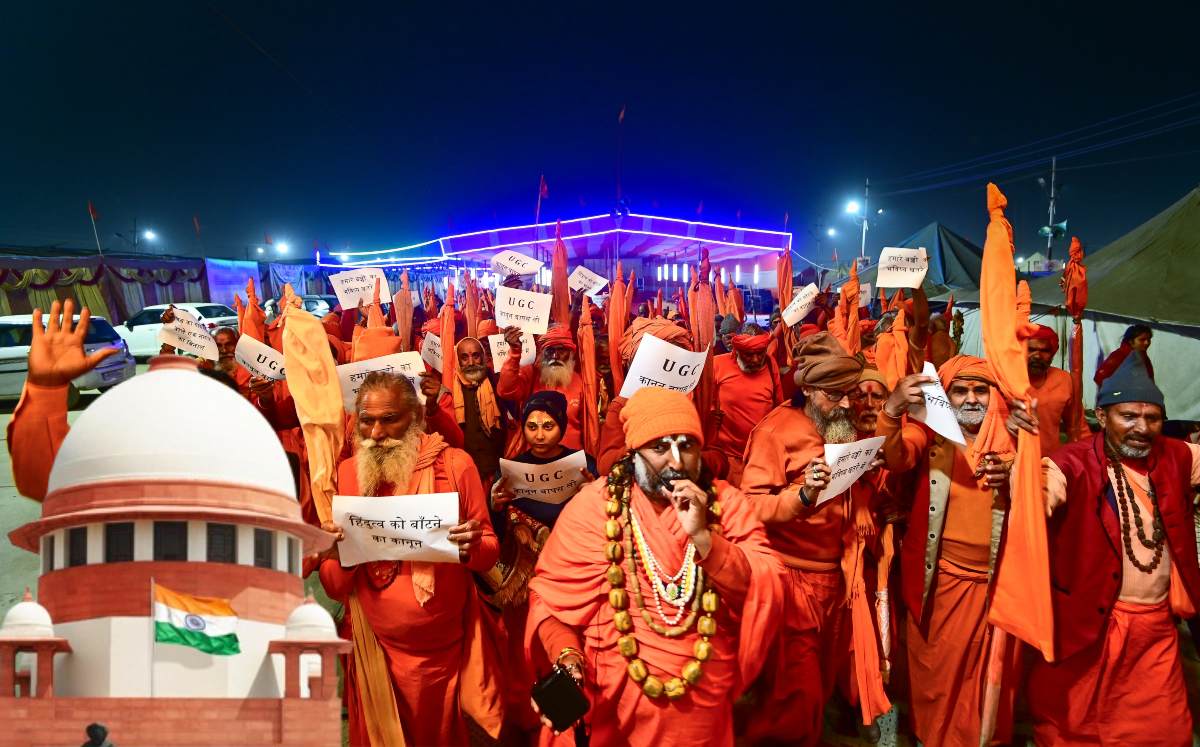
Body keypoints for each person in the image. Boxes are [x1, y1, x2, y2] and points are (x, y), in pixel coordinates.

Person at [527, 387, 783, 746]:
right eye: (660, 448)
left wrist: (706, 539)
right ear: (633, 454)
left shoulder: (728, 505)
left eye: (687, 445)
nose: (676, 462)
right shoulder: (593, 509)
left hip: (698, 711)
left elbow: (765, 589)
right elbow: (550, 604)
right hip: (608, 708)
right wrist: (567, 658)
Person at [1023, 352, 1200, 746]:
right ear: (1101, 418)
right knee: (1073, 729)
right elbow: (1043, 489)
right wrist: (1025, 485)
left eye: (1152, 418)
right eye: (1129, 417)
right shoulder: (1073, 462)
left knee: (1164, 730)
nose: (1142, 428)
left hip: (1155, 632)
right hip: (1091, 624)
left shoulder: (1175, 456)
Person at [318, 372, 501, 746]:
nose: (376, 433)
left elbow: (488, 553)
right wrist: (337, 555)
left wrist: (471, 547)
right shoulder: (350, 473)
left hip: (445, 653)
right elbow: (336, 588)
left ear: (416, 417)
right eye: (367, 420)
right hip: (376, 649)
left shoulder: (455, 466)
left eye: (390, 419)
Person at [739, 332, 877, 746]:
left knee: (819, 681)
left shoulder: (843, 425)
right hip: (789, 580)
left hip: (836, 577)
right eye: (835, 396)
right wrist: (801, 495)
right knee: (793, 690)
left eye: (849, 394)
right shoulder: (775, 431)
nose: (847, 405)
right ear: (810, 390)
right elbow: (751, 506)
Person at [875, 355, 1017, 747]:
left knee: (987, 673)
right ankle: (932, 736)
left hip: (996, 584)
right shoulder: (931, 435)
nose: (971, 399)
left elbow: (1043, 485)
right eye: (961, 390)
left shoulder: (1014, 440)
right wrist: (891, 409)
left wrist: (1015, 473)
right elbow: (896, 457)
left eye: (980, 390)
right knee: (936, 666)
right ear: (947, 396)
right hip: (939, 583)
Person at [483, 390, 597, 739]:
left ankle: (579, 702)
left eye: (549, 425)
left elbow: (602, 519)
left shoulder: (584, 466)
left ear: (562, 427)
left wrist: (594, 493)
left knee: (570, 635)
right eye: (532, 425)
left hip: (573, 570)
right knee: (525, 641)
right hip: (527, 577)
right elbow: (497, 532)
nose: (540, 433)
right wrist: (497, 506)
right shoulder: (514, 469)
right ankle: (527, 711)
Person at [711, 324, 782, 486]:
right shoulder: (717, 364)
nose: (756, 360)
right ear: (737, 351)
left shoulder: (771, 365)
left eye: (760, 353)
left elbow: (779, 408)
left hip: (761, 457)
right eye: (749, 355)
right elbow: (704, 403)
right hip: (728, 459)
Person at [497, 324, 585, 450]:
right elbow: (506, 391)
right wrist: (515, 353)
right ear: (542, 353)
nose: (555, 357)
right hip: (534, 461)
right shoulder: (530, 375)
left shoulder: (581, 382)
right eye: (550, 350)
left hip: (571, 461)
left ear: (571, 353)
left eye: (561, 350)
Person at [449, 336, 508, 481]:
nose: (471, 363)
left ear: (483, 357)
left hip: (497, 467)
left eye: (475, 356)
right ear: (458, 361)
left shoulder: (496, 381)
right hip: (465, 470)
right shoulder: (450, 389)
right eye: (464, 357)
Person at [1026, 324, 1089, 454]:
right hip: (1010, 462)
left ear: (1053, 353)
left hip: (1050, 462)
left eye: (1044, 351)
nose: (1037, 356)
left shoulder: (1064, 380)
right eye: (1031, 349)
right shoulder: (1006, 380)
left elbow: (1078, 426)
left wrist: (1089, 454)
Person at [1094, 323, 1154, 387]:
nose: (1147, 343)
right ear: (1131, 341)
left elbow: (1150, 380)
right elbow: (1099, 378)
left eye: (1149, 339)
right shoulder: (1119, 356)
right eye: (1142, 340)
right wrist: (1118, 393)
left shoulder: (1144, 358)